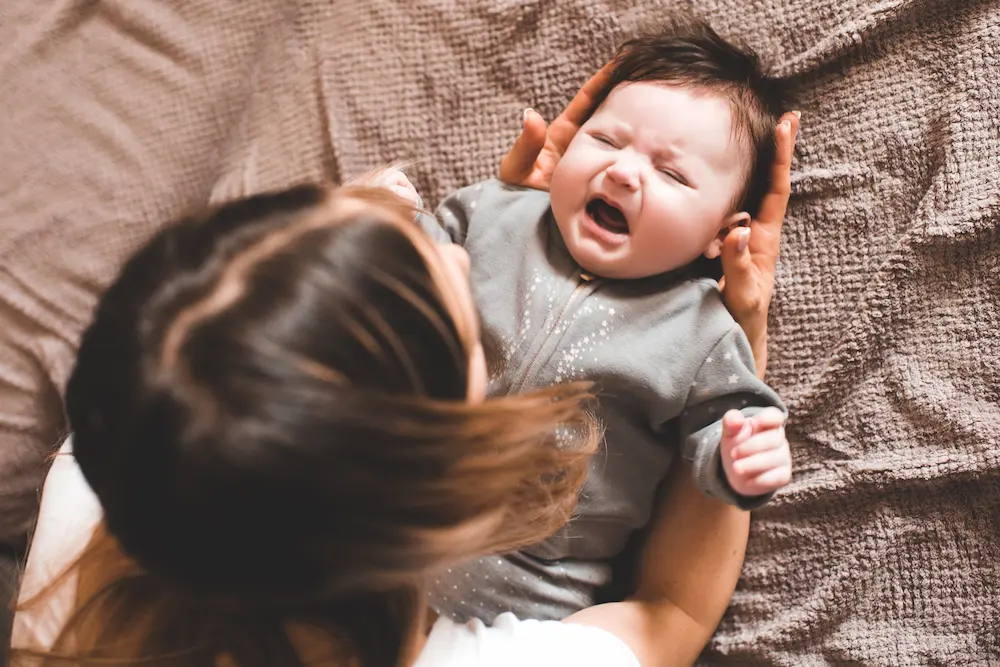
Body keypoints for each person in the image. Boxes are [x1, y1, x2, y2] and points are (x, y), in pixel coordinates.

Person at [11, 52, 799, 667]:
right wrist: (746, 369)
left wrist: (381, 216)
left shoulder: (110, 466)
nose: (458, 257)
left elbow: (240, 316)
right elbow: (671, 616)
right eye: (459, 309)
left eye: (671, 171)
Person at [416, 20, 798, 622]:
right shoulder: (497, 212)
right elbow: (409, 263)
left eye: (672, 174)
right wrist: (393, 221)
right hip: (384, 497)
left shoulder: (702, 331)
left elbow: (727, 416)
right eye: (606, 139)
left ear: (721, 235)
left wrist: (743, 455)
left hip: (527, 588)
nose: (623, 172)